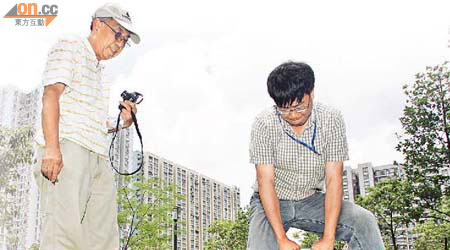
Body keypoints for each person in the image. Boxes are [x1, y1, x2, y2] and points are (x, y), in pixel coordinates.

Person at [34, 3, 140, 249]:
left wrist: (122, 124)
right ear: (97, 24)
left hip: (97, 156)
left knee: (103, 240)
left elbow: (93, 123)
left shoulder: (100, 71)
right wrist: (52, 149)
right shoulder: (71, 45)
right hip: (68, 149)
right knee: (63, 235)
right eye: (117, 34)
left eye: (125, 40)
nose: (119, 44)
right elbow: (51, 94)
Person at [247, 61, 385, 250]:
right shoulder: (263, 124)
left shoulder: (331, 119)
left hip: (311, 199)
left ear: (311, 93)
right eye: (284, 109)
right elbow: (266, 182)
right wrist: (282, 239)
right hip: (271, 200)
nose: (293, 115)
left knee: (363, 222)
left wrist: (328, 238)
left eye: (299, 107)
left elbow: (333, 178)